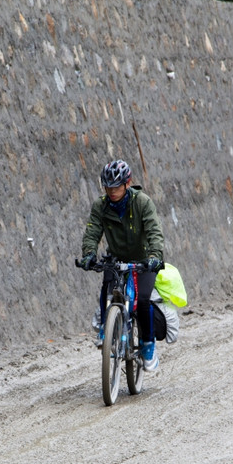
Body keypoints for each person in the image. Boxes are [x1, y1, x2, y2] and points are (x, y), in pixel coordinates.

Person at [80, 159, 165, 371]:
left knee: (143, 299)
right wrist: (89, 254)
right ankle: (104, 329)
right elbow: (92, 232)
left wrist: (154, 256)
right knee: (107, 286)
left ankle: (147, 344)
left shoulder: (142, 202)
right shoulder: (101, 206)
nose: (112, 191)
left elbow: (154, 232)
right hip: (116, 259)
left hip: (143, 260)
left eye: (116, 186)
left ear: (127, 184)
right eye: (108, 186)